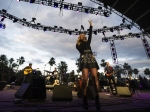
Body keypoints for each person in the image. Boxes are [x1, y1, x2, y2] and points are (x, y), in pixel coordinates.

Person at [76, 20, 100, 110]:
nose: (83, 36)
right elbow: (81, 50)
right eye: (81, 36)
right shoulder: (78, 44)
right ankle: (84, 98)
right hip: (84, 60)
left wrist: (91, 26)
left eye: (83, 35)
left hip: (91, 59)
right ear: (79, 37)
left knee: (95, 78)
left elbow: (90, 35)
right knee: (85, 79)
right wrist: (81, 41)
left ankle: (97, 99)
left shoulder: (88, 41)